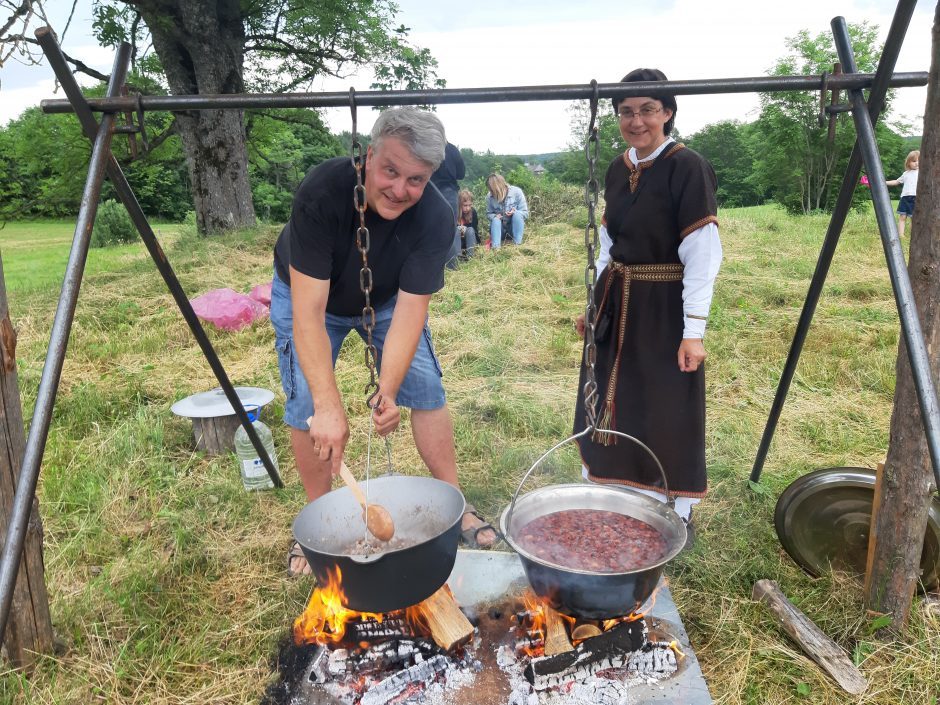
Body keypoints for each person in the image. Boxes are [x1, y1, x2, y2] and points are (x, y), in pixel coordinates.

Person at [270, 108, 498, 577]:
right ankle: (317, 528)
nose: (399, 189)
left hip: (390, 299)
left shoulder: (435, 216)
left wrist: (388, 391)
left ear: (431, 176)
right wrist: (329, 405)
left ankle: (454, 504)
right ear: (368, 156)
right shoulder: (322, 191)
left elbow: (412, 311)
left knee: (427, 389)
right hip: (312, 296)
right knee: (306, 407)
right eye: (390, 170)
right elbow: (308, 314)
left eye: (415, 179)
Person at [572, 68, 723, 531]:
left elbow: (702, 253)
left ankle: (668, 506)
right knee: (614, 397)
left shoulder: (687, 166)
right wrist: (594, 304)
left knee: (662, 399)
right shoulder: (618, 169)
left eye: (647, 110)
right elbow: (606, 245)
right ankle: (614, 491)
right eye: (626, 112)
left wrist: (692, 332)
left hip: (663, 303)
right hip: (617, 299)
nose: (636, 121)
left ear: (668, 112)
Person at [430, 142, 466, 269]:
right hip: (449, 192)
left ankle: (434, 266)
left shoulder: (426, 146)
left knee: (431, 230)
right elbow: (461, 173)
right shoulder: (452, 149)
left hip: (429, 191)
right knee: (450, 229)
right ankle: (452, 267)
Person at [485, 173, 528, 248]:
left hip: (513, 229)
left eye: (492, 190)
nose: (491, 192)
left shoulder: (517, 192)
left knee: (517, 214)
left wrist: (515, 212)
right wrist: (495, 216)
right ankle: (496, 248)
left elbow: (525, 213)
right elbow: (489, 213)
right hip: (500, 230)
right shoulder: (489, 196)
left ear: (498, 188)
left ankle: (517, 245)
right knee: (495, 220)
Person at [885, 150, 919, 238]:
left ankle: (913, 236)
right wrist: (884, 182)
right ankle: (901, 235)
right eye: (914, 161)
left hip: (917, 198)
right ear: (908, 163)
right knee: (902, 217)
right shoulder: (905, 174)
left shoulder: (922, 173)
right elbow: (896, 182)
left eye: (919, 161)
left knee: (914, 218)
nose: (917, 163)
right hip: (905, 198)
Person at [456, 189, 479, 258]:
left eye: (470, 205)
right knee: (456, 231)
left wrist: (466, 230)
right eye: (465, 205)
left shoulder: (473, 212)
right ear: (459, 204)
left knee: (470, 230)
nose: (468, 208)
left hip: (470, 242)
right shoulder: (454, 212)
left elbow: (475, 232)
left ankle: (470, 257)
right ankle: (457, 256)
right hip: (457, 243)